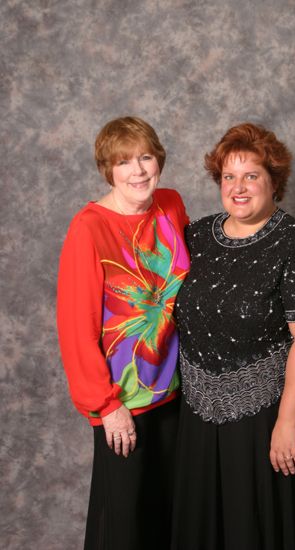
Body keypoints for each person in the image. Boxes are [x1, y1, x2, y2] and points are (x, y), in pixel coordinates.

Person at [171, 122, 295, 550]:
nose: (238, 188)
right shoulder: (196, 238)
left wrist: (287, 423)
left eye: (251, 176)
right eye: (229, 176)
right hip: (197, 418)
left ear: (273, 182)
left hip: (267, 416)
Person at [57, 116, 190, 550]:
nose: (138, 171)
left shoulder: (170, 205)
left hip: (176, 391)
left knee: (169, 513)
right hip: (123, 401)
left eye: (145, 157)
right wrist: (106, 405)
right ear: (107, 169)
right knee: (124, 522)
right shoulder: (89, 228)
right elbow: (76, 330)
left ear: (159, 162)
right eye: (124, 162)